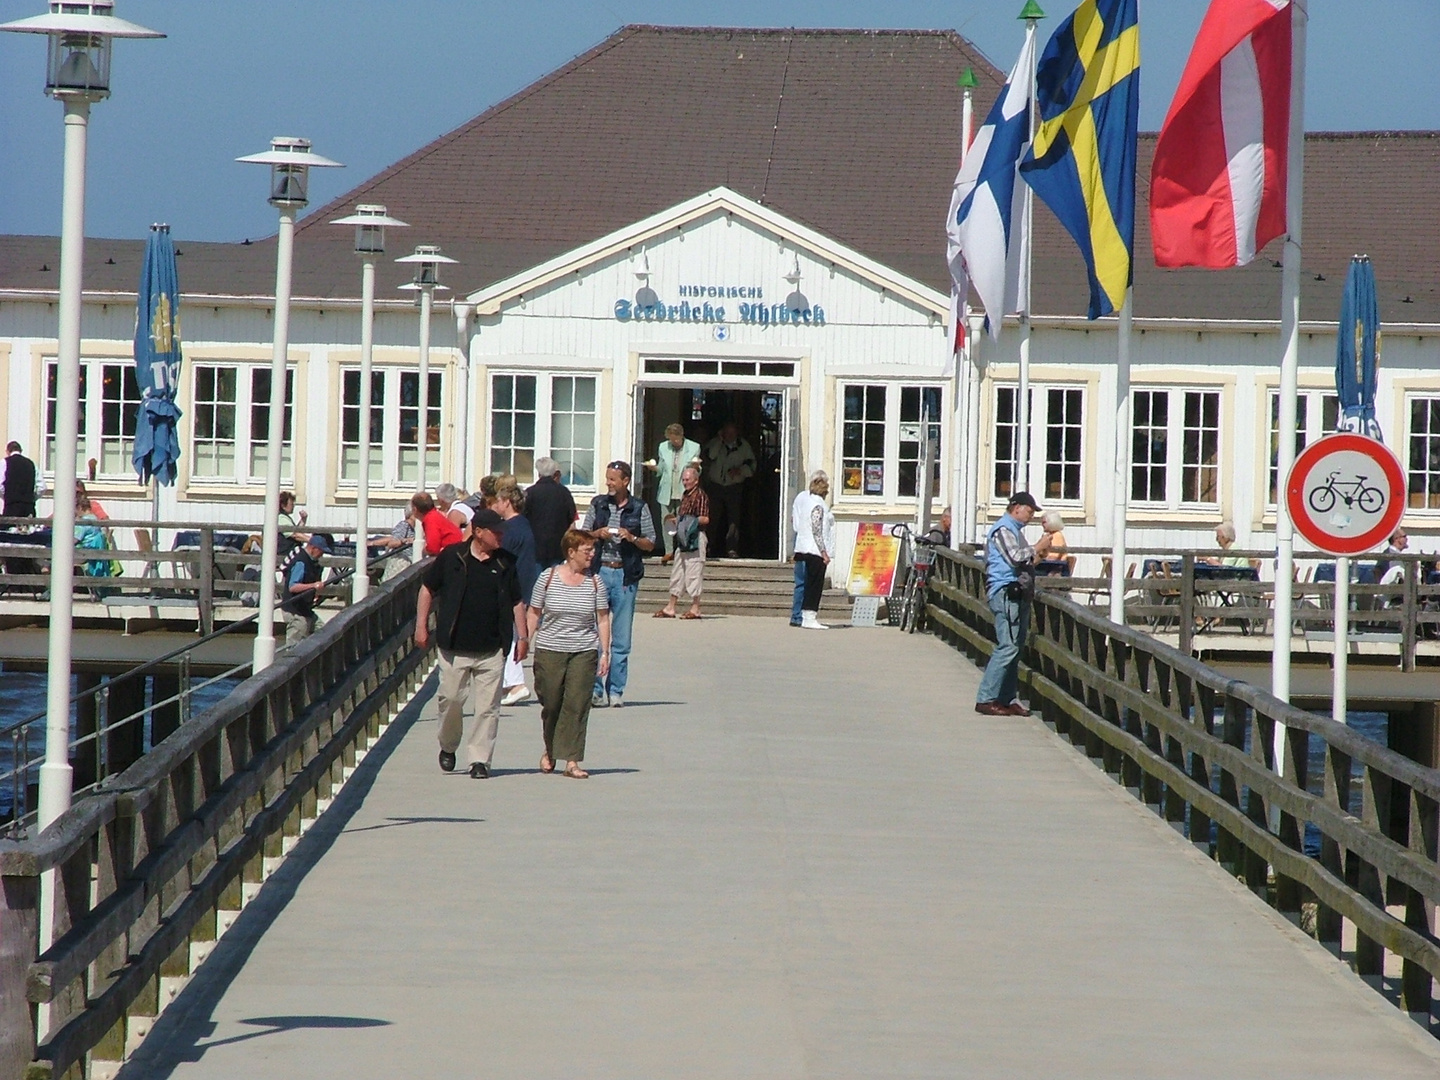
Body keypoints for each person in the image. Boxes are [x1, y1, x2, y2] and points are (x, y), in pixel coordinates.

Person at [414, 507, 529, 779]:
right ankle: (448, 744)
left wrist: (522, 637)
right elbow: (427, 588)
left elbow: (517, 602)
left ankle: (479, 760)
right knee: (451, 700)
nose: (502, 536)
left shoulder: (506, 563)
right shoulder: (452, 557)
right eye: (496, 532)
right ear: (478, 532)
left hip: (492, 648)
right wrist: (421, 625)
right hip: (454, 646)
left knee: (488, 707)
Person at [527, 528, 612, 779]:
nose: (592, 555)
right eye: (587, 550)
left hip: (583, 650)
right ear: (571, 552)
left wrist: (605, 652)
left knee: (577, 704)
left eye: (593, 550)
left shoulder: (596, 582)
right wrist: (524, 642)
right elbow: (534, 612)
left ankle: (572, 760)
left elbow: (603, 619)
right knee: (551, 703)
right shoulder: (548, 577)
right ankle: (550, 749)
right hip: (550, 648)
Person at [583, 460, 657, 707]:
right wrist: (597, 534)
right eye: (607, 479)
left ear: (625, 481)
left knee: (622, 639)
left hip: (625, 575)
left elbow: (651, 542)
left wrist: (632, 537)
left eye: (613, 479)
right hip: (600, 572)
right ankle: (595, 690)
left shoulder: (639, 507)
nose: (609, 483)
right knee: (594, 634)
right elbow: (583, 535)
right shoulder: (598, 504)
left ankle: (616, 690)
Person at [975, 492, 1053, 716]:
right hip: (1006, 593)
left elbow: (1024, 562)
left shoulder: (1015, 532)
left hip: (1019, 595)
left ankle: (1006, 698)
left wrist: (1038, 556)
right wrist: (1037, 547)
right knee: (1007, 646)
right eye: (1029, 511)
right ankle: (986, 698)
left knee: (1015, 649)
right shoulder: (1003, 530)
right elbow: (1015, 558)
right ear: (1016, 507)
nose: (1030, 516)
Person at [495, 481, 539, 705]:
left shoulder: (509, 529)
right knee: (511, 633)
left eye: (499, 501)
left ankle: (516, 683)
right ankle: (506, 683)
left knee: (509, 635)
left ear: (507, 502)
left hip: (512, 587)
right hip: (525, 584)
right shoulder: (525, 525)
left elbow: (502, 560)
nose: (496, 505)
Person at [656, 465, 709, 619]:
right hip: (683, 538)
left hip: (696, 538)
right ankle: (671, 607)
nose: (685, 482)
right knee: (678, 572)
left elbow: (705, 518)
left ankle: (695, 608)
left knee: (694, 573)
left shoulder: (700, 496)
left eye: (688, 480)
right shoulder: (685, 495)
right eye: (684, 480)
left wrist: (685, 521)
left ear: (696, 480)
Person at [645, 423, 701, 561]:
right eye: (671, 439)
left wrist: (696, 467)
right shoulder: (663, 447)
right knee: (667, 521)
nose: (673, 442)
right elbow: (661, 469)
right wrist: (653, 468)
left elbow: (698, 471)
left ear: (681, 436)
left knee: (684, 521)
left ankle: (684, 549)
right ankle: (669, 551)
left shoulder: (694, 447)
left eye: (675, 439)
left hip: (684, 489)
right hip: (667, 490)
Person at [791, 470, 837, 630]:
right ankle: (809, 616)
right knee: (814, 586)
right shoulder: (818, 506)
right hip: (813, 551)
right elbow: (817, 530)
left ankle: (803, 616)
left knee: (805, 584)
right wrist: (824, 552)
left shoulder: (806, 501)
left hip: (803, 549)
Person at [703, 421, 756, 557]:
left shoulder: (743, 447)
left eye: (732, 433)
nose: (729, 436)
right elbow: (709, 456)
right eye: (727, 433)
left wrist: (740, 470)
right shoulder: (715, 444)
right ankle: (708, 547)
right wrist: (719, 441)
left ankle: (732, 549)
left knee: (733, 519)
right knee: (712, 518)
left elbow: (752, 465)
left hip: (734, 487)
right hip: (715, 486)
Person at [525, 456, 577, 569]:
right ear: (555, 474)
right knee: (555, 583)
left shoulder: (530, 493)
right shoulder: (564, 493)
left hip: (535, 549)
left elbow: (523, 519)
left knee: (537, 584)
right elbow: (572, 521)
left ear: (539, 473)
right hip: (557, 549)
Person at [282, 534, 331, 646]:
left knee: (324, 631)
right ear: (314, 548)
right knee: (295, 645)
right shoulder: (301, 562)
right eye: (321, 551)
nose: (322, 555)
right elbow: (293, 587)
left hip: (304, 609)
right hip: (294, 610)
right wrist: (313, 586)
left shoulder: (312, 562)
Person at [414, 491, 461, 556]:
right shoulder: (434, 515)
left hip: (453, 554)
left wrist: (425, 551)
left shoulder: (431, 519)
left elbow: (433, 548)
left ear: (415, 509)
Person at [379, 503, 416, 582]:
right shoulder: (404, 525)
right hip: (402, 561)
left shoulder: (417, 528)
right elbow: (392, 542)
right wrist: (404, 541)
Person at [2, 442, 37, 519]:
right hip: (28, 507)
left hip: (12, 506)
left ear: (7, 451)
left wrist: (6, 496)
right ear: (21, 450)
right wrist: (31, 498)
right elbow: (42, 487)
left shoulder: (4, 462)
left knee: (9, 529)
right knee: (28, 529)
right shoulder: (31, 463)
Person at [1037, 510, 1074, 576]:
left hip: (1056, 569)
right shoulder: (1049, 535)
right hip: (1050, 566)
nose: (1042, 524)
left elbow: (1053, 556)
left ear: (1052, 522)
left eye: (1044, 522)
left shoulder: (1057, 535)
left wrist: (1040, 558)